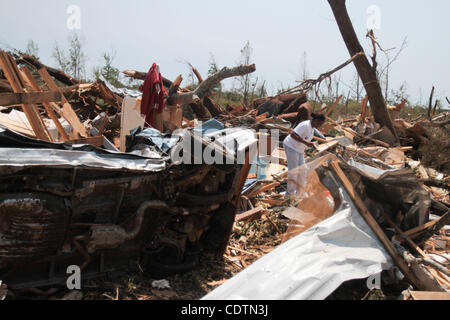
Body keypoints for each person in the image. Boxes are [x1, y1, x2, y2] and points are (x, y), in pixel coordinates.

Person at [283, 113, 325, 195]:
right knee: (294, 170)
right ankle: (289, 194)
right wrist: (305, 142)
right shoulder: (305, 125)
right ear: (316, 120)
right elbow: (292, 134)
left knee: (303, 170)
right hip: (291, 146)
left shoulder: (312, 128)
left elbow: (305, 139)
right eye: (320, 124)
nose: (320, 126)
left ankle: (300, 192)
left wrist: (309, 147)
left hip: (299, 149)